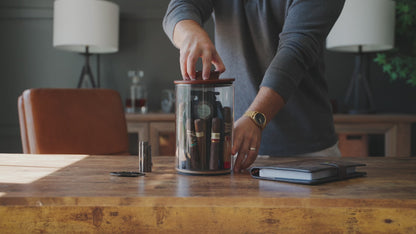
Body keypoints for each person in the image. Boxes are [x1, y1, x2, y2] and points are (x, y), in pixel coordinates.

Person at [163, 0, 345, 173]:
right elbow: (180, 6)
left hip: (307, 152)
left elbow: (295, 50)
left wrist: (255, 118)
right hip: (234, 149)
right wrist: (190, 33)